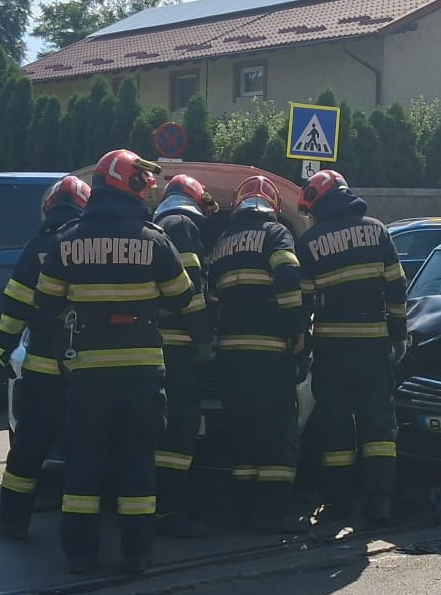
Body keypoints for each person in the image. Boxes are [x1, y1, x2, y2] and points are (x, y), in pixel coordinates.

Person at [34, 150, 193, 575]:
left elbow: (45, 301)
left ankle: (79, 553)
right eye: (143, 181)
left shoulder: (67, 240)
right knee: (137, 462)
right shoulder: (155, 240)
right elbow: (183, 296)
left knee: (84, 463)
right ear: (130, 183)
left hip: (88, 371)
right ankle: (136, 551)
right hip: (142, 371)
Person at [296, 169, 407, 528]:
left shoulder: (310, 241)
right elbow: (396, 287)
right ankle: (379, 503)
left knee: (336, 425)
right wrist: (398, 333)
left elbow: (303, 301)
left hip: (331, 349)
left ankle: (339, 503)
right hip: (373, 345)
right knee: (379, 425)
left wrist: (301, 341)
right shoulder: (377, 230)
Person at [0, 174, 92, 541]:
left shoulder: (37, 247)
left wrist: (1, 349)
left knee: (29, 446)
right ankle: (79, 533)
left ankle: (13, 520)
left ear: (48, 208)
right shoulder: (87, 245)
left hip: (42, 368)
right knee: (83, 448)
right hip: (87, 369)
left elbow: (15, 304)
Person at [206, 173, 310, 533]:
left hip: (230, 351)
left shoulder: (223, 241)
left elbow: (212, 295)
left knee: (243, 428)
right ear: (274, 205)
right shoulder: (276, 233)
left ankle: (242, 507)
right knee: (277, 428)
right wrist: (296, 327)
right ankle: (273, 510)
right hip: (268, 349)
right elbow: (288, 279)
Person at [151, 173, 218, 538]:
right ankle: (169, 511)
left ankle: (159, 506)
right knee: (180, 429)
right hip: (177, 348)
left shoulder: (160, 224)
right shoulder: (182, 225)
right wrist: (205, 337)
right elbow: (190, 291)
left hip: (160, 346)